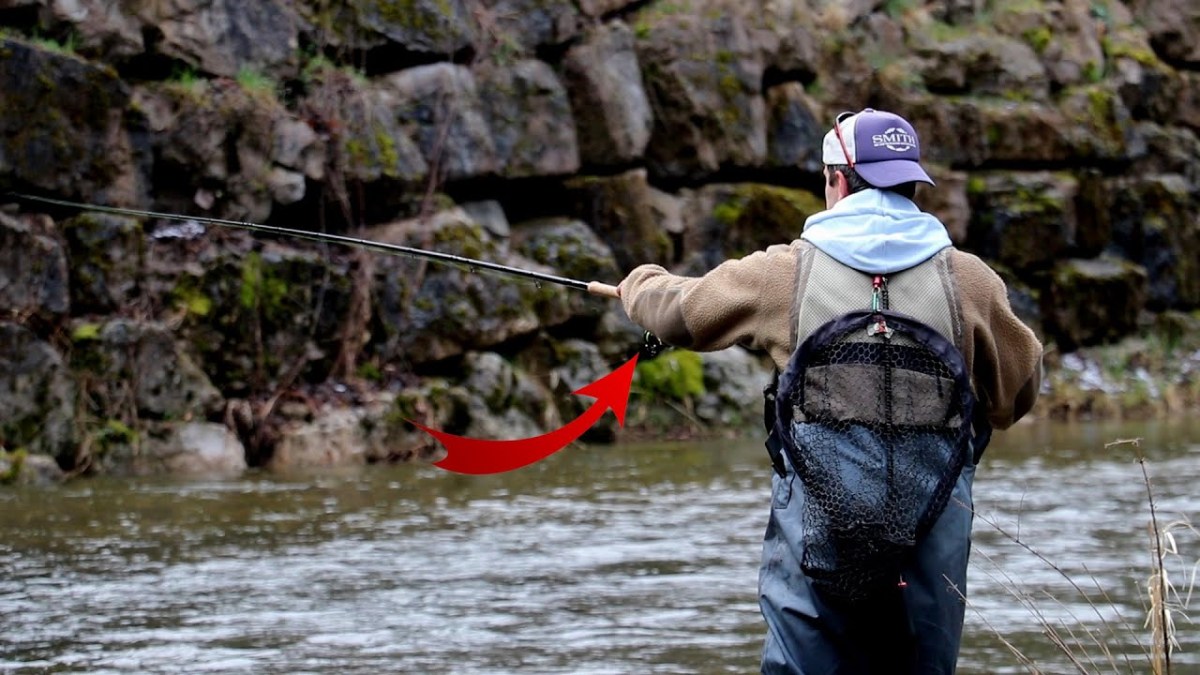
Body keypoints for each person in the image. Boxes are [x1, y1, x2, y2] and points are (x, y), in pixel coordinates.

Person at [616, 108, 1043, 674]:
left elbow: (682, 313)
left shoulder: (786, 273)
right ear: (912, 185)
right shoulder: (971, 282)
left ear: (836, 181)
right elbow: (1018, 394)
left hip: (818, 535)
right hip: (932, 531)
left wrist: (637, 284)